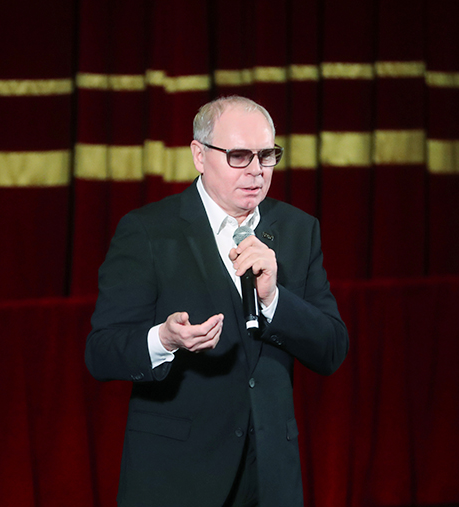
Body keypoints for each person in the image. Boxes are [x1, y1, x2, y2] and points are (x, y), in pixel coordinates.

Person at [85, 95, 349, 507]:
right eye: (239, 156)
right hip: (177, 478)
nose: (256, 171)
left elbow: (331, 349)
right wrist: (163, 340)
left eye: (267, 156)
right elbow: (101, 352)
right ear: (199, 155)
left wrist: (274, 299)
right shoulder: (148, 231)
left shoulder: (299, 230)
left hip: (270, 479)